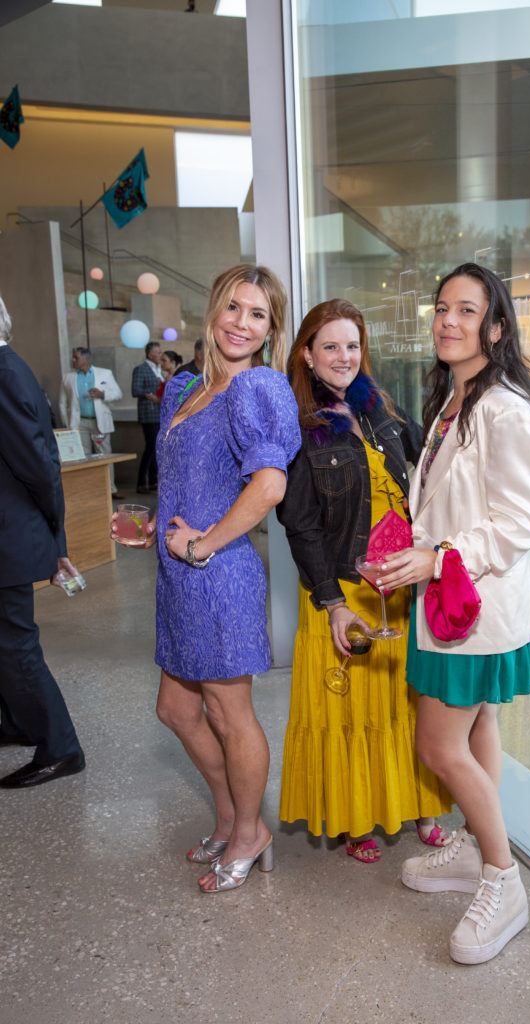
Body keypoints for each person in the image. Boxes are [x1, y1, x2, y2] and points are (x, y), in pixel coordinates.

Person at [378, 263, 530, 964]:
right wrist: (413, 546)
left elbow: (519, 521)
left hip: (474, 605)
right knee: (478, 726)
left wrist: (437, 557)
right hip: (451, 602)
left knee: (437, 748)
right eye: (442, 307)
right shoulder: (454, 399)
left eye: (467, 310)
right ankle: (476, 849)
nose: (448, 320)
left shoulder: (504, 409)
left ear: (496, 327)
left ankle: (503, 881)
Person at [112, 265, 300, 893]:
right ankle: (229, 816)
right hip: (179, 578)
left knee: (228, 711)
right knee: (175, 708)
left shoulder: (257, 388)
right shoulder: (185, 388)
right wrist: (158, 528)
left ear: (271, 330)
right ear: (214, 309)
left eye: (258, 315)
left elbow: (268, 486)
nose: (241, 323)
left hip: (219, 577)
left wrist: (201, 543)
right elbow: (187, 480)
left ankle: (250, 831)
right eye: (233, 308)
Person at [277, 299, 453, 864]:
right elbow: (300, 524)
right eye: (329, 346)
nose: (343, 356)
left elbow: (436, 462)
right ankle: (357, 816)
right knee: (350, 709)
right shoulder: (298, 425)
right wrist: (331, 603)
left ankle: (422, 806)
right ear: (307, 354)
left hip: (397, 585)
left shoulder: (380, 409)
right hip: (342, 586)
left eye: (352, 345)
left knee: (407, 705)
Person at [0, 296, 85, 787]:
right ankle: (17, 722)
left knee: (15, 645)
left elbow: (39, 466)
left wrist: (57, 536)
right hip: (10, 533)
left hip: (10, 537)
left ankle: (61, 747)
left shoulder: (6, 373)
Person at [59, 346, 124, 497]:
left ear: (86, 359)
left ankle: (110, 490)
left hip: (100, 422)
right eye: (73, 357)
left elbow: (118, 394)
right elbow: (62, 403)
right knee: (82, 457)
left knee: (105, 455)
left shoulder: (104, 373)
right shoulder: (67, 377)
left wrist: (103, 394)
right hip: (78, 423)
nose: (73, 360)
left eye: (76, 357)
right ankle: (87, 490)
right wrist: (67, 424)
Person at [131, 340, 163, 494]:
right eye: (158, 352)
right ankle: (141, 482)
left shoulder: (159, 369)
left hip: (159, 413)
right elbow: (135, 390)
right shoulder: (141, 369)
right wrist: (150, 394)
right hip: (148, 413)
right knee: (150, 447)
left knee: (156, 447)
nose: (160, 355)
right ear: (150, 355)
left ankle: (152, 480)